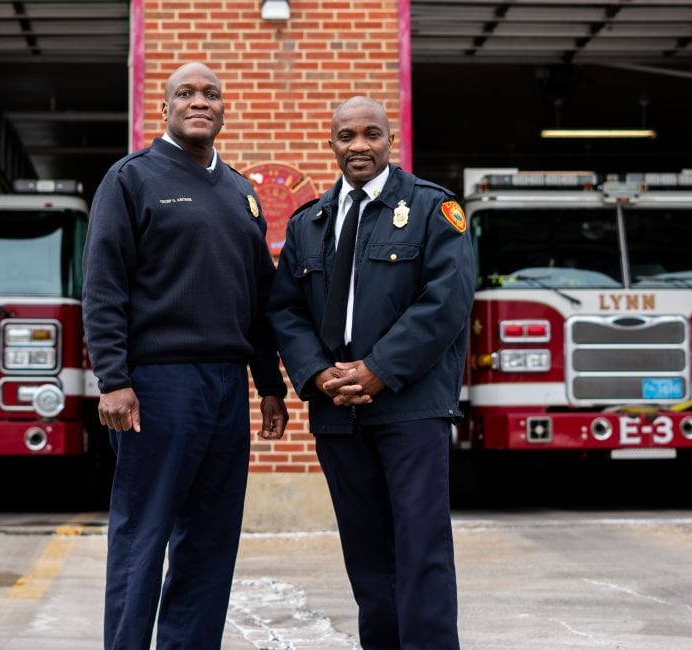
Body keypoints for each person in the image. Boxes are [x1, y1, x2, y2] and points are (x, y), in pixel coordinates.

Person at [82, 62, 288, 649]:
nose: (200, 102)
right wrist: (114, 379)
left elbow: (258, 299)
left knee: (211, 539)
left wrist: (268, 382)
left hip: (226, 387)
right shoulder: (132, 179)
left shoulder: (241, 192)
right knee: (142, 533)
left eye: (211, 94)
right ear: (166, 106)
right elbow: (102, 287)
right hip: (158, 386)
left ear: (224, 108)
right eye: (186, 93)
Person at [268, 96, 473, 648]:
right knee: (365, 549)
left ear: (389, 139)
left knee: (420, 545)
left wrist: (380, 369)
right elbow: (285, 309)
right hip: (338, 413)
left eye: (371, 134)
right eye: (346, 135)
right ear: (331, 143)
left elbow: (446, 302)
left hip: (410, 408)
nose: (359, 145)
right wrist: (316, 374)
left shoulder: (434, 209)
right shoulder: (309, 221)